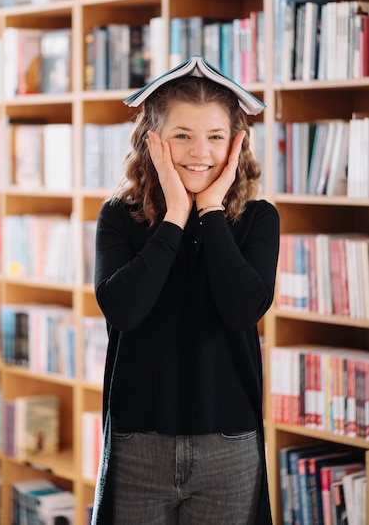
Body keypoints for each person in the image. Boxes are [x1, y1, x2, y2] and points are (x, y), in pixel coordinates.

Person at [91, 61, 280, 525]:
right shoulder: (119, 217)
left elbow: (242, 311)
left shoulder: (257, 219)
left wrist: (210, 210)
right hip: (139, 440)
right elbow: (124, 310)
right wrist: (176, 215)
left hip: (229, 444)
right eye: (182, 136)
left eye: (216, 137)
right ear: (152, 143)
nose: (201, 152)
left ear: (237, 145)